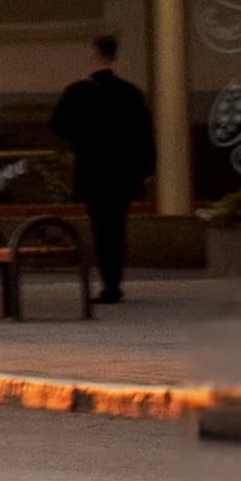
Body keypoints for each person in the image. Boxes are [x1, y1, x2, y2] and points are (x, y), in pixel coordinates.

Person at [53, 36, 156, 311]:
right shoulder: (130, 92)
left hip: (93, 169)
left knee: (101, 227)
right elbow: (146, 133)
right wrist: (147, 168)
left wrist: (83, 136)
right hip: (123, 171)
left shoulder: (78, 92)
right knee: (117, 226)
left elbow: (58, 126)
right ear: (114, 56)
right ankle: (114, 282)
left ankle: (108, 283)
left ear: (93, 55)